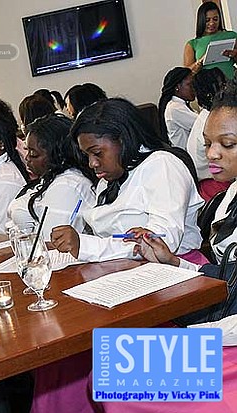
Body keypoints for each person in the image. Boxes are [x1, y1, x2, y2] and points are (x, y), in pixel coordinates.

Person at [98, 81, 237, 411]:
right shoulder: (228, 196)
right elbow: (228, 272)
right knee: (107, 367)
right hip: (225, 324)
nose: (212, 154)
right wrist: (174, 262)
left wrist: (196, 337)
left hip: (230, 336)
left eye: (227, 144)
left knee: (114, 377)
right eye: (208, 143)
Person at [50, 98, 205, 264]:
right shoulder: (108, 180)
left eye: (97, 153)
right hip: (128, 268)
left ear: (124, 140)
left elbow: (162, 242)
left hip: (175, 269)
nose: (92, 163)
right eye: (86, 155)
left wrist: (85, 245)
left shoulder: (161, 165)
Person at [7, 115, 96, 240]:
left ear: (58, 154)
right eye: (27, 151)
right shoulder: (50, 178)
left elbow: (50, 240)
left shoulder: (67, 185)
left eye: (33, 154)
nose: (27, 158)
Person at [187, 67, 228, 201]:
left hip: (210, 178)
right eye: (224, 85)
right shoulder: (213, 122)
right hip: (215, 184)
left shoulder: (207, 115)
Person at [184, 1, 237, 79]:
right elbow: (185, 74)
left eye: (215, 19)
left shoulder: (232, 36)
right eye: (207, 20)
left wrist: (235, 55)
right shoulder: (192, 44)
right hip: (206, 84)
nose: (212, 23)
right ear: (201, 20)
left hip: (231, 82)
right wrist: (200, 61)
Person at [158, 67, 198, 148]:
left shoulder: (182, 104)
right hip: (186, 153)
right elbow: (202, 124)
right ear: (177, 87)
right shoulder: (175, 108)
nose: (194, 88)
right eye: (190, 84)